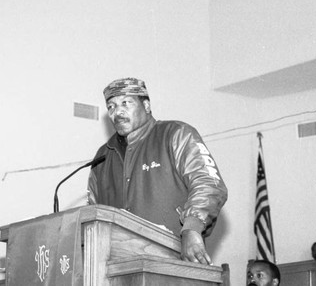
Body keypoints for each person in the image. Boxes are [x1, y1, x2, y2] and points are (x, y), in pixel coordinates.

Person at [87, 77, 228, 265]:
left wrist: (191, 228)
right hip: (119, 269)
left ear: (146, 106)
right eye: (111, 107)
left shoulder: (176, 134)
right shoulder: (102, 157)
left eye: (126, 103)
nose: (117, 112)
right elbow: (93, 213)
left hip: (174, 265)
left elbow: (209, 184)